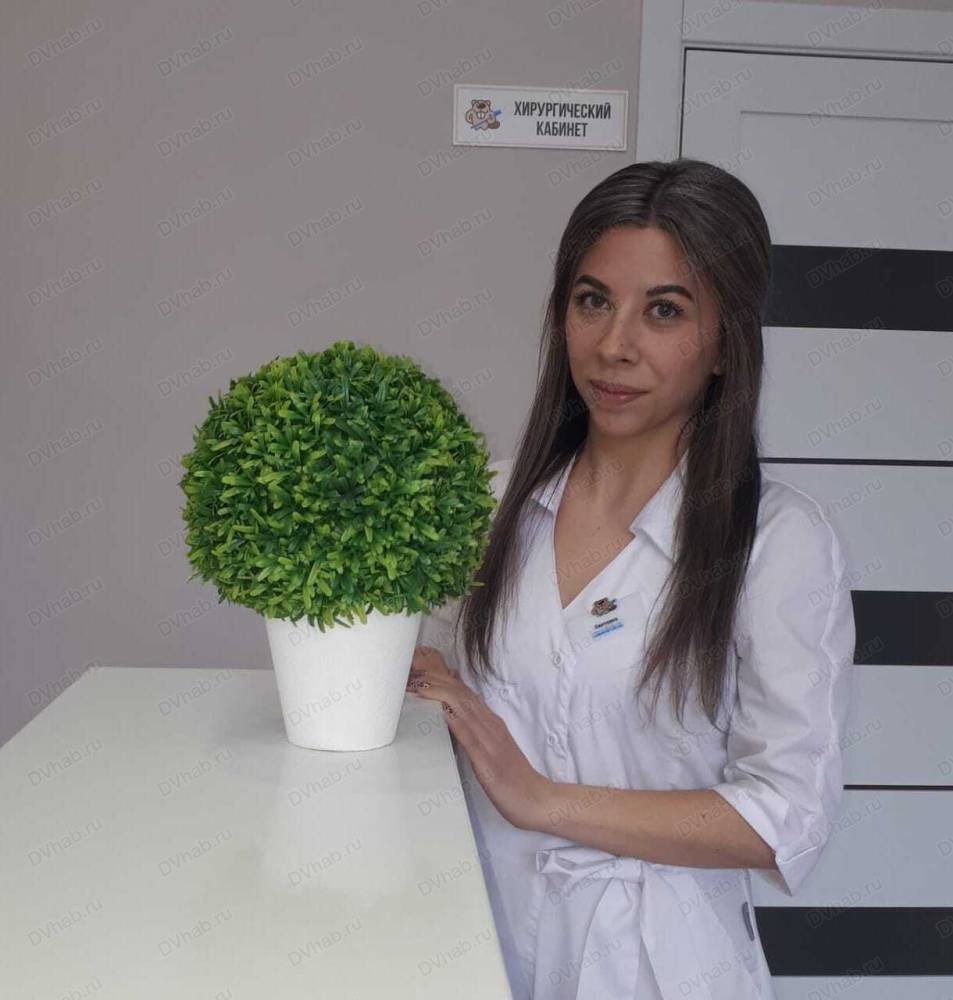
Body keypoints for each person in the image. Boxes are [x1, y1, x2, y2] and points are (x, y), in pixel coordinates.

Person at [408, 157, 856, 1000]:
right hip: (473, 941)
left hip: (660, 967)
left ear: (724, 343)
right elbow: (430, 704)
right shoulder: (482, 504)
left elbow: (785, 814)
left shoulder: (776, 542)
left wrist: (544, 800)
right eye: (592, 301)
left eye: (663, 310)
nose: (613, 345)